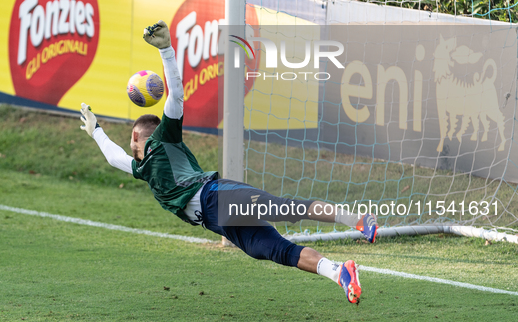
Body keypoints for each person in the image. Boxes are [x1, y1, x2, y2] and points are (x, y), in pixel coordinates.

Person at [79, 20, 378, 304]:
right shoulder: (141, 168)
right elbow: (113, 156)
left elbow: (176, 96)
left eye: (130, 140)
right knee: (275, 251)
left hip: (216, 197)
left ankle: (358, 220)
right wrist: (96, 131)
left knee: (284, 208)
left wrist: (166, 50)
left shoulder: (163, 139)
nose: (128, 147)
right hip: (217, 220)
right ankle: (340, 272)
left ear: (136, 136)